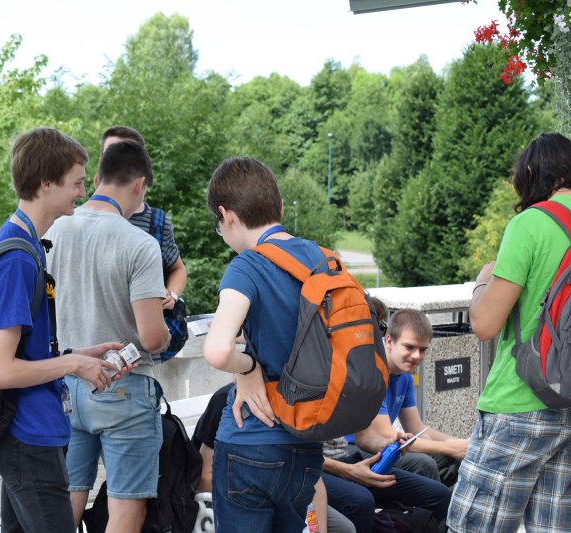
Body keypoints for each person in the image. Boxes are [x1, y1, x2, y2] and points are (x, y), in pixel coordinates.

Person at [0, 127, 128, 532]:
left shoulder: (25, 244)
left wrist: (76, 356)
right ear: (46, 183)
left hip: (28, 431)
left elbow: (22, 353)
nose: (83, 192)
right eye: (76, 183)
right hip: (28, 434)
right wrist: (73, 366)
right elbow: (0, 371)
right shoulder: (17, 258)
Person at [448, 133, 571, 532]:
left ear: (532, 172)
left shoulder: (532, 222)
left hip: (521, 401)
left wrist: (483, 282)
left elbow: (484, 325)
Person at [46, 139, 171, 533]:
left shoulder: (54, 229)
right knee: (125, 507)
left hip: (67, 382)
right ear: (139, 184)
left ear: (97, 178)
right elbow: (151, 338)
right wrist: (167, 332)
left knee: (66, 497)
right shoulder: (140, 243)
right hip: (123, 389)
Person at [202, 156, 324, 533]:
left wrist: (249, 368)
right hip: (306, 445)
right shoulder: (320, 259)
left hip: (250, 442)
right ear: (280, 207)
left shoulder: (247, 266)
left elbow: (218, 350)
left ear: (226, 216)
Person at [192, 384, 357, 533]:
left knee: (344, 526)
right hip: (239, 495)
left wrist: (317, 528)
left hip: (289, 489)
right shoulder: (228, 399)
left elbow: (313, 476)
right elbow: (204, 476)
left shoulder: (299, 398)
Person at [353, 309, 468, 486]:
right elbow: (387, 436)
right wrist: (451, 447)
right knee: (424, 463)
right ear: (389, 341)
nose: (416, 356)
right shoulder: (373, 372)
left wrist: (459, 444)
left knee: (454, 460)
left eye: (422, 350)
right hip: (358, 449)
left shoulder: (404, 375)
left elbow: (417, 427)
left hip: (388, 446)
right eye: (409, 347)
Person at [100, 126, 187, 311]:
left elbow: (177, 268)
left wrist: (172, 295)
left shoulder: (157, 222)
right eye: (113, 154)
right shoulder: (80, 220)